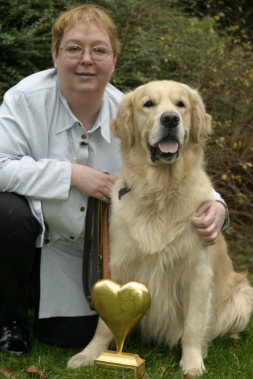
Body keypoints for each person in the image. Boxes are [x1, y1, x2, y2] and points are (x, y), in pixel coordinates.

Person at [0, 4, 228, 358]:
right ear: (55, 54)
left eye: (99, 50)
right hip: (30, 236)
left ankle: (44, 300)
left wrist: (218, 206)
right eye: (74, 48)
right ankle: (10, 321)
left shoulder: (132, 108)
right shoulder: (23, 99)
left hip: (86, 257)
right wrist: (71, 174)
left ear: (114, 59)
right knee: (6, 211)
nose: (86, 59)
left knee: (67, 336)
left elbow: (183, 170)